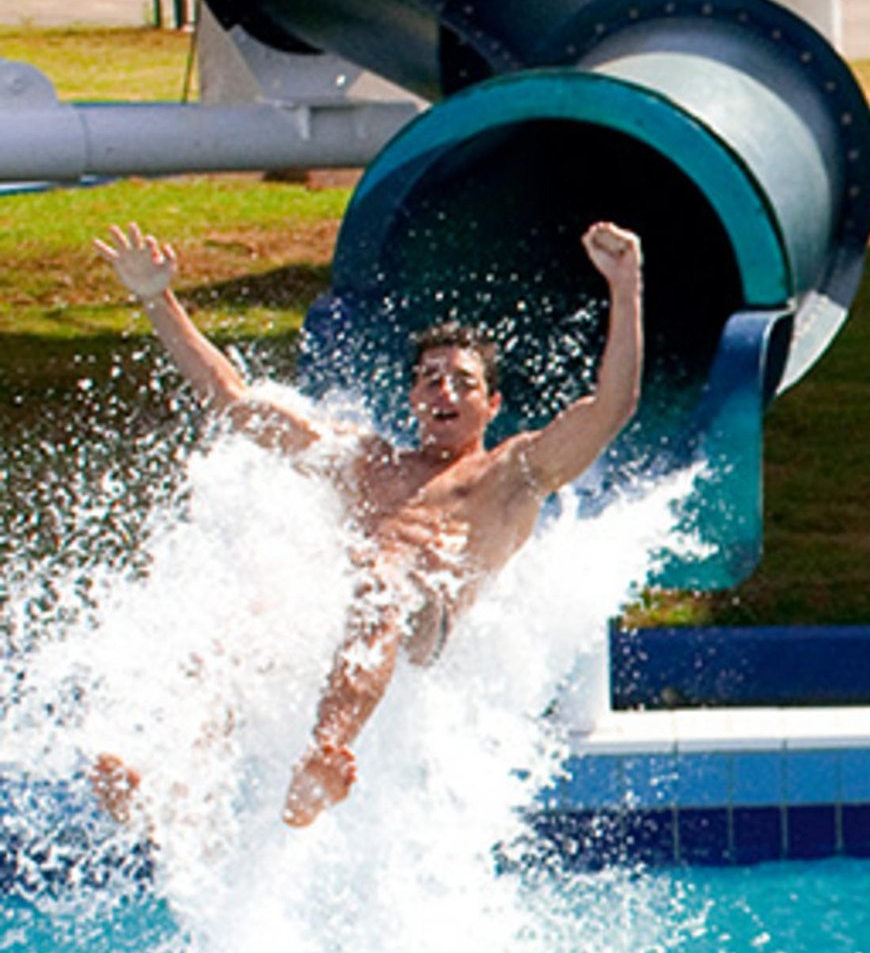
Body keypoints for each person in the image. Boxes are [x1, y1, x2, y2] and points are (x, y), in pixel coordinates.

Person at [90, 217, 647, 828]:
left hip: (424, 621)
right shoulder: (364, 460)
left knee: (387, 591)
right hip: (349, 603)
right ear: (412, 397)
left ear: (491, 405)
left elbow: (610, 408)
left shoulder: (513, 474)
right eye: (429, 379)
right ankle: (168, 790)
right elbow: (235, 401)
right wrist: (156, 297)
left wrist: (625, 285)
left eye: (463, 382)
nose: (443, 390)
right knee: (248, 630)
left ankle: (325, 757)